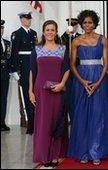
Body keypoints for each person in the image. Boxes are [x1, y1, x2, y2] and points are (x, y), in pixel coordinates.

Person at [67, 10, 108, 165]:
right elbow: (72, 64)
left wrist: (98, 82)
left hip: (99, 79)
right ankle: (82, 152)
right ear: (81, 24)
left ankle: (96, 151)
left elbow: (106, 63)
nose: (87, 25)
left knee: (98, 116)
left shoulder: (103, 39)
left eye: (90, 22)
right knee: (81, 116)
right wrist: (82, 81)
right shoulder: (75, 41)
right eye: (85, 23)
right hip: (80, 80)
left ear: (95, 23)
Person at [29, 20, 70, 167]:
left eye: (53, 30)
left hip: (58, 89)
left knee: (56, 121)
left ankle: (55, 154)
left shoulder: (63, 49)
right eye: (47, 30)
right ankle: (44, 155)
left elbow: (66, 69)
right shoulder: (37, 49)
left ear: (56, 31)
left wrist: (62, 84)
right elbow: (32, 71)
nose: (50, 32)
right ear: (43, 31)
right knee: (43, 123)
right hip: (40, 91)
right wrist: (30, 91)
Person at [11, 11, 38, 134]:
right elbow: (14, 53)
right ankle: (30, 123)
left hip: (34, 65)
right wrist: (14, 69)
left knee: (35, 93)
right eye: (26, 19)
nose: (28, 21)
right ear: (21, 19)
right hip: (23, 67)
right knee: (26, 95)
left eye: (29, 19)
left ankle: (36, 121)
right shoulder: (16, 34)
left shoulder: (33, 33)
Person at [61, 18, 80, 123]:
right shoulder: (64, 37)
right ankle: (68, 118)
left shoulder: (80, 37)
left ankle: (76, 118)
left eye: (74, 25)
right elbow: (59, 44)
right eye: (71, 25)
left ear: (77, 26)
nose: (73, 26)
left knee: (77, 95)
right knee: (67, 95)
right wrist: (66, 34)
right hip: (67, 69)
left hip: (78, 69)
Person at [1, 20, 11, 131]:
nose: (1, 30)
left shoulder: (7, 43)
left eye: (2, 28)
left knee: (4, 99)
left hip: (4, 75)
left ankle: (2, 122)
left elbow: (9, 58)